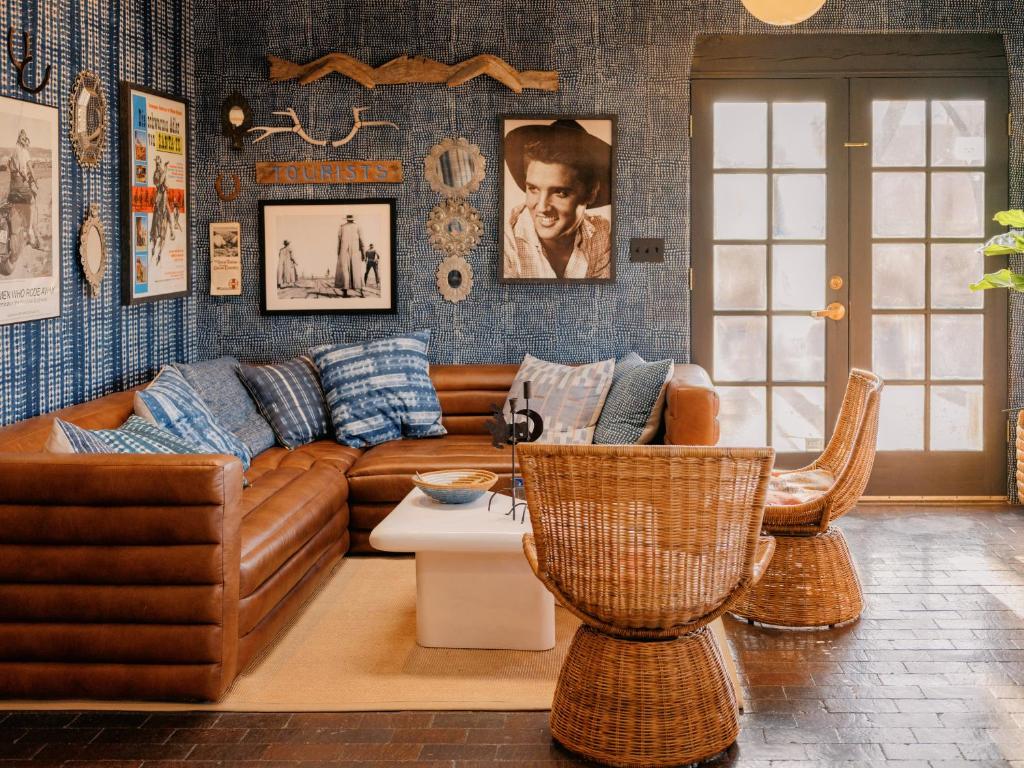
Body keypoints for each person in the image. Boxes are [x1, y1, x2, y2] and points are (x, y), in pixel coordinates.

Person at [502, 119, 612, 280]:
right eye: (533, 189)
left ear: (591, 193)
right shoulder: (505, 239)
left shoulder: (602, 235)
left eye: (560, 193)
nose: (542, 207)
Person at [7, 129, 41, 250]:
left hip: (12, 185)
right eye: (23, 139)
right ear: (21, 140)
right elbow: (26, 169)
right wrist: (33, 180)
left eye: (25, 139)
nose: (25, 142)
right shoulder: (23, 152)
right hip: (19, 184)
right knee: (31, 201)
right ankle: (30, 230)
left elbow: (10, 166)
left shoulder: (14, 150)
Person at [335, 213, 365, 297]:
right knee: (357, 270)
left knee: (345, 270)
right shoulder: (358, 227)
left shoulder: (342, 227)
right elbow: (362, 241)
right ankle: (361, 291)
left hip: (344, 251)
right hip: (355, 251)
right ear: (353, 219)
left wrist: (338, 253)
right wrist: (363, 253)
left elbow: (339, 241)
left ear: (347, 219)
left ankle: (345, 292)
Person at [150, 157, 170, 262]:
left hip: (164, 195)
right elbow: (158, 182)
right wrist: (165, 170)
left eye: (158, 163)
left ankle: (171, 229)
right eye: (156, 163)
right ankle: (153, 241)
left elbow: (165, 183)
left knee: (169, 212)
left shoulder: (162, 172)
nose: (157, 165)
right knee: (156, 211)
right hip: (159, 195)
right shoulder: (156, 173)